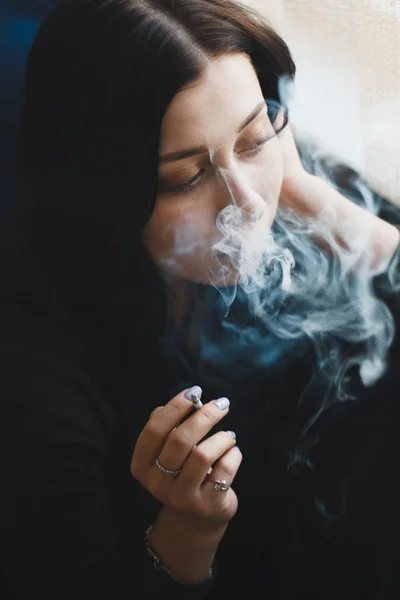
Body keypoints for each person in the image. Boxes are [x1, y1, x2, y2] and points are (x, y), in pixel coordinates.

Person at [0, 0, 399, 598]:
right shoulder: (33, 378)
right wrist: (188, 531)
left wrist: (310, 196)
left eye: (256, 136)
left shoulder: (277, 170)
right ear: (102, 195)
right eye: (185, 178)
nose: (247, 205)